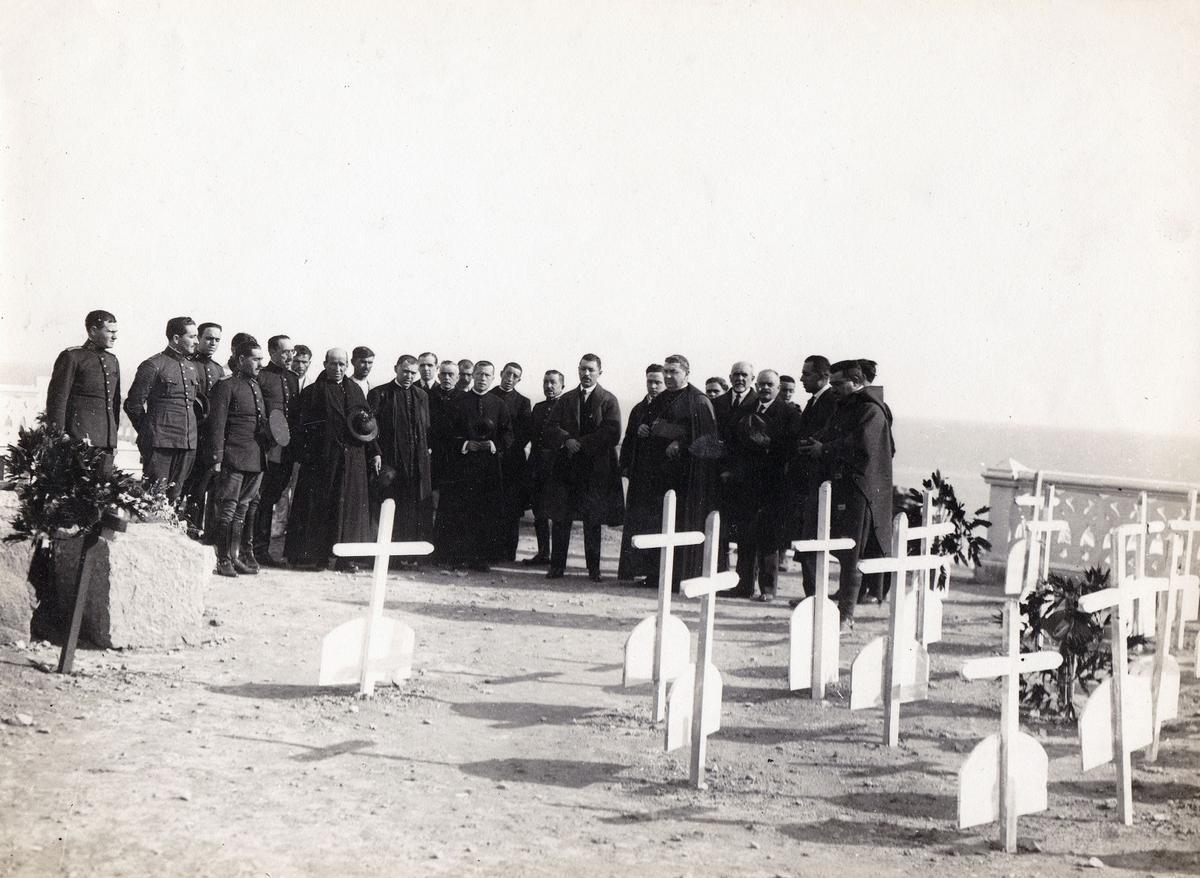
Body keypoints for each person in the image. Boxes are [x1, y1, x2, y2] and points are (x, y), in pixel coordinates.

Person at [799, 360, 895, 628]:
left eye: (839, 384)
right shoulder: (847, 406)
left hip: (860, 490)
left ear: (856, 380)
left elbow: (861, 444)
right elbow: (831, 432)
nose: (835, 389)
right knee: (833, 549)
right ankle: (826, 607)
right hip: (840, 487)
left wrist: (824, 449)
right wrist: (813, 442)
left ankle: (845, 615)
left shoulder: (871, 410)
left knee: (853, 553)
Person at [285, 348, 381, 572]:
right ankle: (313, 557)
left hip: (352, 460)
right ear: (325, 363)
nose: (337, 369)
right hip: (321, 461)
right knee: (318, 507)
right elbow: (299, 429)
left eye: (341, 365)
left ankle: (345, 558)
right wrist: (304, 455)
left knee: (348, 509)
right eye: (333, 364)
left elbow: (367, 423)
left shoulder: (356, 390)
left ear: (347, 366)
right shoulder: (311, 392)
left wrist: (374, 450)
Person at [721, 370, 802, 601]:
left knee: (769, 540)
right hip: (747, 485)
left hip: (774, 487)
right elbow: (735, 444)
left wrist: (770, 444)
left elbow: (792, 448)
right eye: (762, 384)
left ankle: (767, 589)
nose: (765, 388)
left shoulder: (789, 413)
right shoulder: (746, 410)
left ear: (777, 388)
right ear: (756, 385)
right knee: (745, 538)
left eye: (770, 385)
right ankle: (743, 586)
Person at [543, 354, 624, 581]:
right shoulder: (566, 399)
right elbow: (550, 427)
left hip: (595, 470)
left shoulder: (608, 400)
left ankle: (594, 569)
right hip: (567, 469)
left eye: (590, 369)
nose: (586, 374)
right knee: (561, 519)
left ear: (600, 372)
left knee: (593, 520)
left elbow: (613, 431)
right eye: (582, 369)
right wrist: (566, 439)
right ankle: (557, 567)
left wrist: (583, 444)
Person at [434, 361, 513, 571]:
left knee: (485, 512)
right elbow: (445, 433)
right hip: (463, 466)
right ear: (471, 376)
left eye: (487, 375)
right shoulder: (458, 402)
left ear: (493, 377)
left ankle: (481, 558)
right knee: (461, 512)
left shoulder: (499, 404)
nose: (483, 378)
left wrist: (493, 444)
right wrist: (466, 444)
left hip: (488, 468)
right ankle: (459, 556)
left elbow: (508, 434)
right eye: (479, 374)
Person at [650, 354, 719, 586]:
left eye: (674, 372)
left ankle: (682, 576)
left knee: (682, 524)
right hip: (662, 474)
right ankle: (658, 576)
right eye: (666, 371)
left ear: (686, 374)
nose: (668, 376)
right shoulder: (660, 399)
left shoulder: (698, 400)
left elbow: (707, 439)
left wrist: (681, 441)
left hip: (688, 478)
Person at [204, 340, 269, 577]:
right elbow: (217, 425)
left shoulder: (255, 385)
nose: (260, 364)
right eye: (255, 359)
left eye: (261, 359)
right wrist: (217, 458)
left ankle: (234, 556)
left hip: (254, 458)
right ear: (241, 360)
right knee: (228, 511)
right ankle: (222, 559)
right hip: (233, 458)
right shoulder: (226, 386)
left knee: (242, 511)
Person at [124, 316, 201, 501]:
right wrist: (149, 431)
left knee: (175, 497)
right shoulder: (153, 365)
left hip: (187, 443)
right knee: (154, 497)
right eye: (192, 336)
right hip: (160, 445)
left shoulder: (191, 367)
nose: (196, 341)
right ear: (176, 338)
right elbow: (133, 404)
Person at [368, 355, 432, 547]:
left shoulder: (422, 396)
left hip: (414, 463)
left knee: (409, 507)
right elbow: (369, 428)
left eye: (413, 372)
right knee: (384, 505)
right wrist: (375, 452)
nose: (409, 376)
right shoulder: (380, 393)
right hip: (389, 461)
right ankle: (378, 552)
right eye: (405, 371)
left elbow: (425, 428)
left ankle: (404, 553)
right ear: (396, 368)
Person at [789, 355, 838, 593]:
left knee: (813, 537)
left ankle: (814, 595)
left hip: (819, 479)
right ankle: (811, 593)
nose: (801, 378)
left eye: (807, 374)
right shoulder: (813, 401)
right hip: (806, 480)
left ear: (823, 376)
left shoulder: (831, 401)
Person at [45, 309, 121, 461]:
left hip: (105, 442)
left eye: (115, 332)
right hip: (77, 439)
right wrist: (59, 435)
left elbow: (114, 404)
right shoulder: (72, 357)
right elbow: (57, 400)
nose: (115, 336)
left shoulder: (113, 360)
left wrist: (112, 438)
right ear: (93, 331)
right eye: (109, 331)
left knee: (103, 484)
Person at [252, 335, 300, 567]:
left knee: (272, 497)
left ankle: (263, 550)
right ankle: (255, 550)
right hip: (266, 449)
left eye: (292, 351)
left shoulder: (292, 378)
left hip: (286, 449)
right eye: (284, 352)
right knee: (259, 499)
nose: (290, 356)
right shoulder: (262, 376)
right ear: (271, 352)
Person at [617, 363, 667, 583]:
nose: (654, 386)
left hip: (659, 477)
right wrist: (625, 466)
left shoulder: (669, 406)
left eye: (658, 382)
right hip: (639, 475)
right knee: (636, 522)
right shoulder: (638, 408)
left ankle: (654, 574)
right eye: (650, 381)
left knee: (656, 524)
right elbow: (627, 439)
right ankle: (631, 568)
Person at [710, 361, 756, 572]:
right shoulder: (717, 403)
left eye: (744, 375)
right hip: (720, 476)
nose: (740, 378)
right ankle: (719, 574)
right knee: (720, 528)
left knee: (746, 532)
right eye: (736, 374)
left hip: (747, 478)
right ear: (729, 377)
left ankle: (744, 581)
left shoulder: (757, 402)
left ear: (752, 379)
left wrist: (737, 470)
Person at [181, 322, 224, 538]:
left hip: (207, 440)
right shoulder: (187, 364)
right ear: (199, 338)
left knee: (201, 488)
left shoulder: (218, 369)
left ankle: (195, 531)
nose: (213, 343)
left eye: (217, 340)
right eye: (209, 338)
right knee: (182, 486)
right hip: (188, 435)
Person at [489, 362, 532, 561]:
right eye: (508, 374)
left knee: (512, 508)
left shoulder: (523, 402)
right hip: (489, 457)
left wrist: (506, 448)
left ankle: (508, 553)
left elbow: (524, 432)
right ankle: (490, 551)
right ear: (501, 374)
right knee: (491, 505)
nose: (510, 379)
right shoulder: (489, 396)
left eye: (515, 376)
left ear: (519, 380)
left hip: (513, 461)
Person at [522, 370, 564, 566]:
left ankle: (557, 556)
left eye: (553, 382)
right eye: (546, 382)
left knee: (556, 512)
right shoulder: (538, 407)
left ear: (561, 386)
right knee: (539, 511)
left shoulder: (567, 405)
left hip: (557, 466)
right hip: (537, 465)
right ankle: (543, 553)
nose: (549, 386)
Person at [426, 360, 460, 543]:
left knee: (450, 504)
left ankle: (445, 546)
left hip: (454, 459)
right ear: (438, 375)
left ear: (457, 377)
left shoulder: (463, 398)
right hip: (432, 455)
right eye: (444, 374)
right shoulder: (427, 396)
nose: (447, 378)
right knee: (429, 501)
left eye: (451, 375)